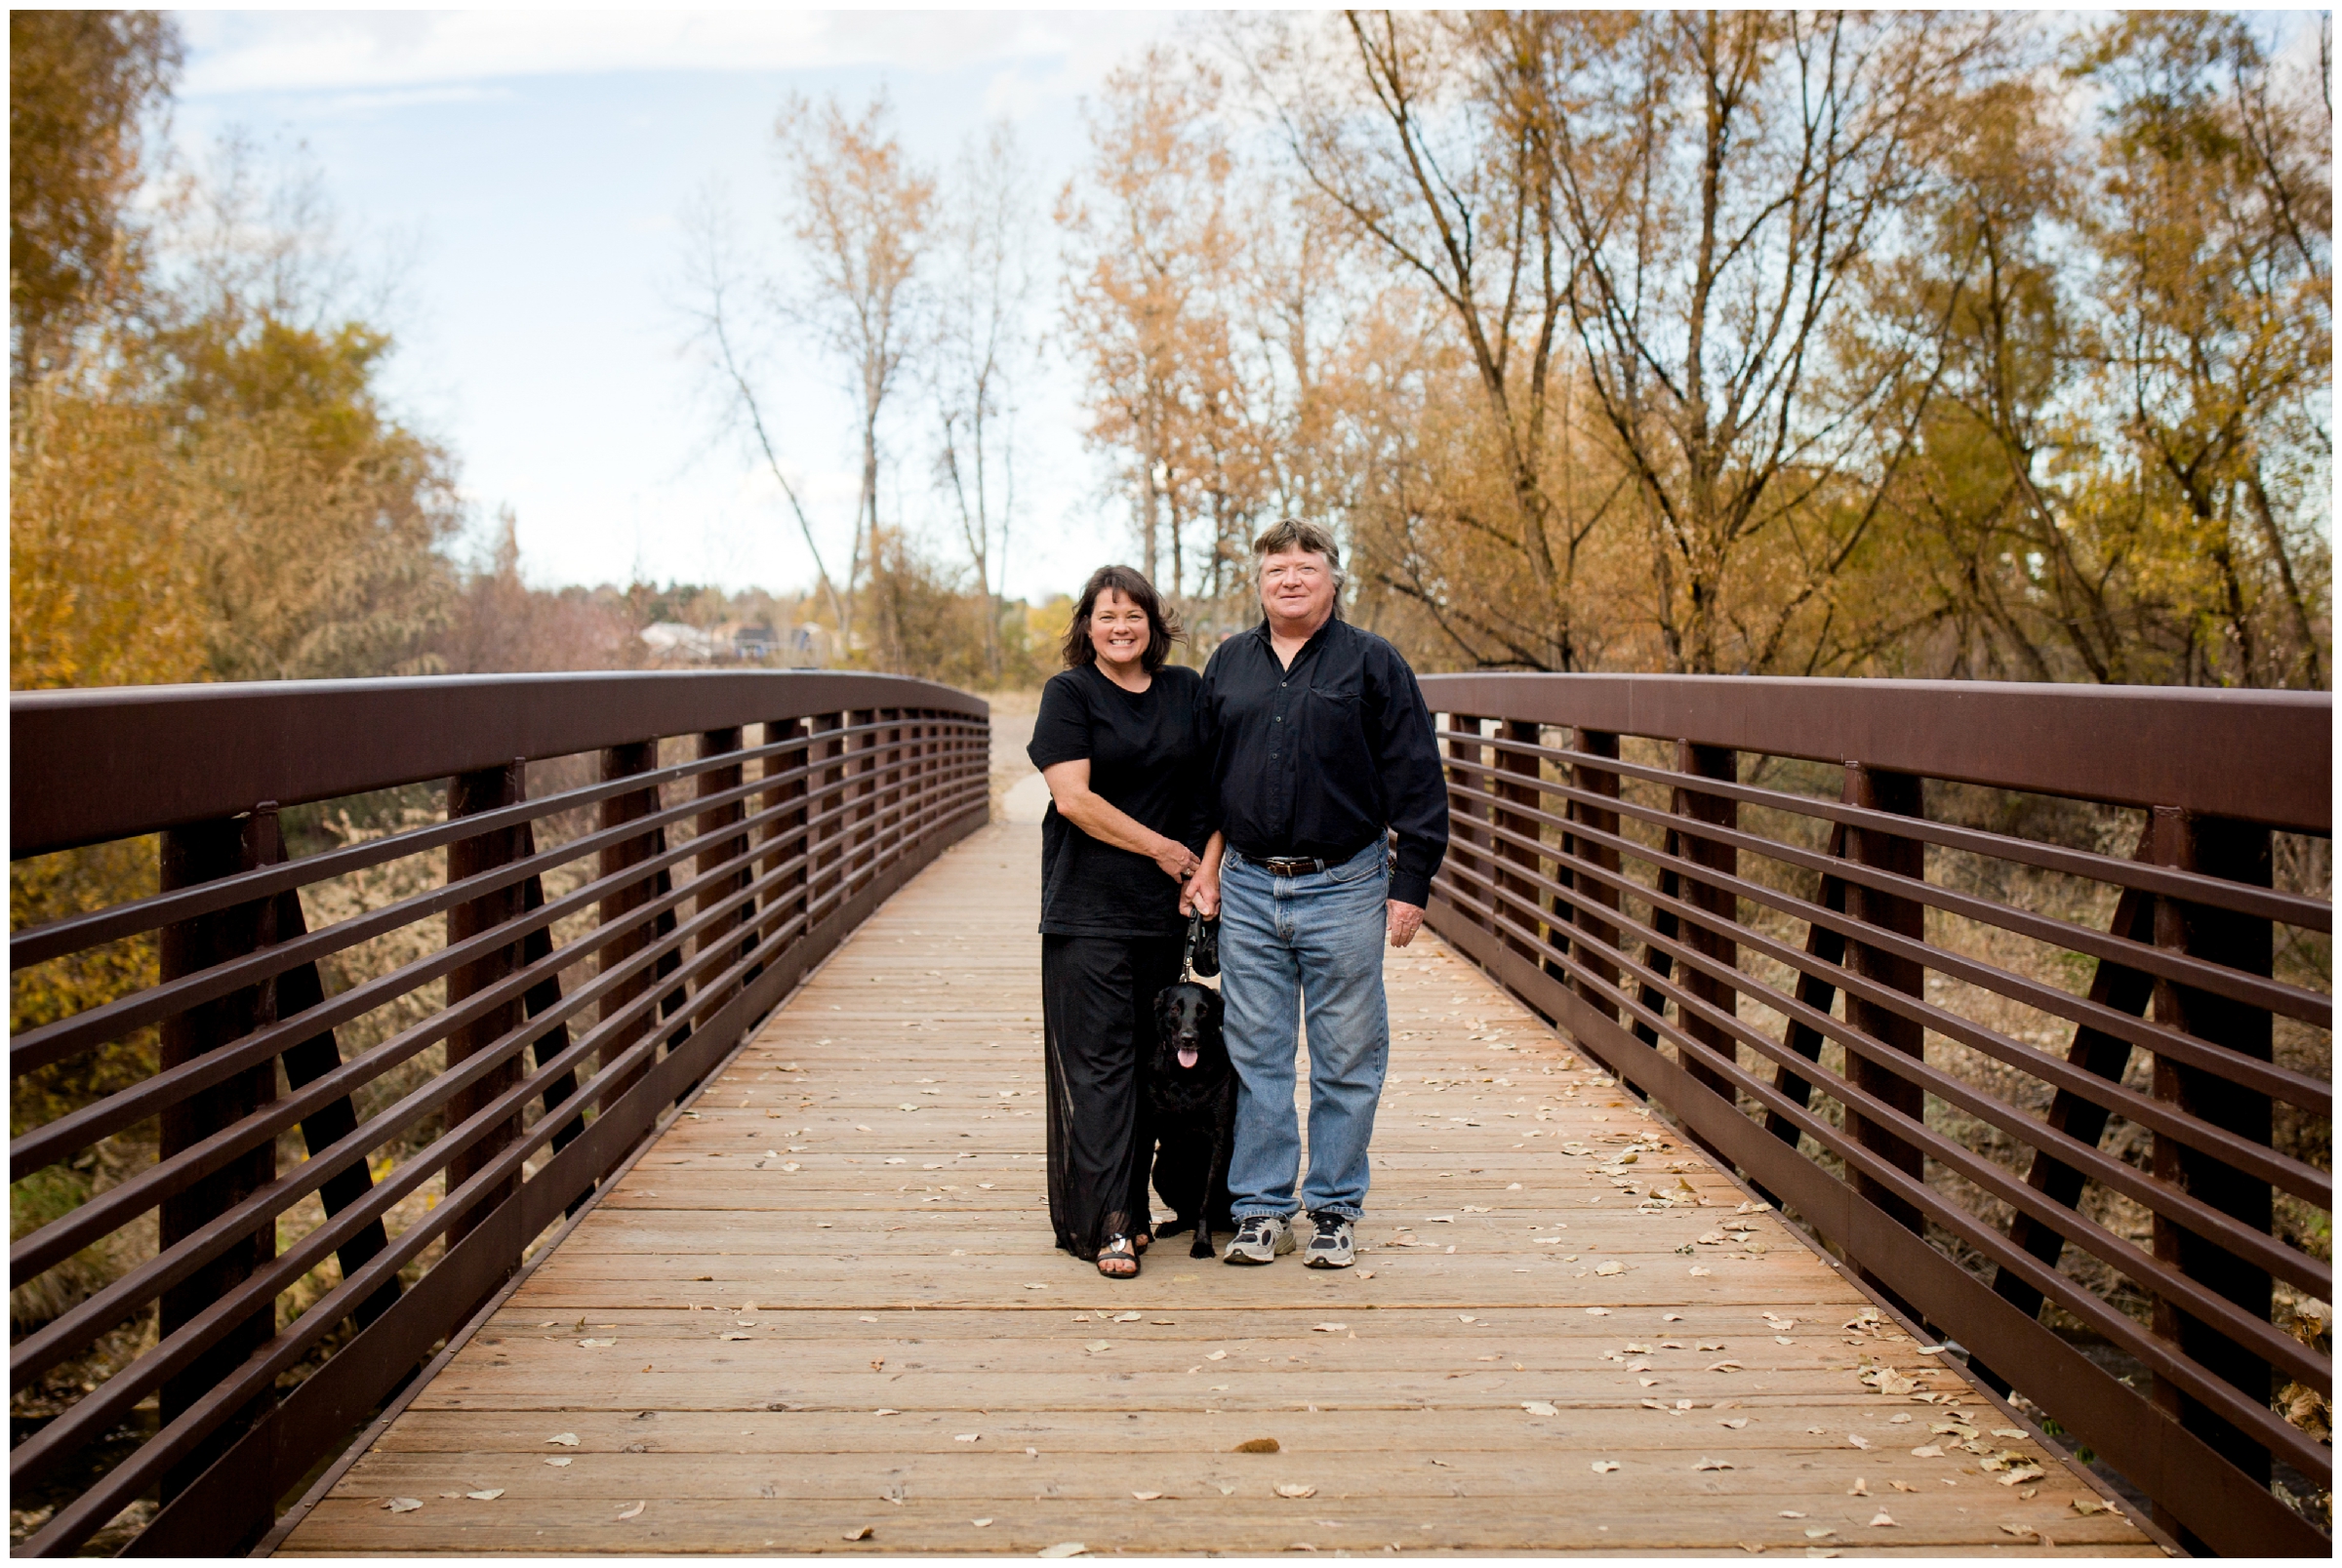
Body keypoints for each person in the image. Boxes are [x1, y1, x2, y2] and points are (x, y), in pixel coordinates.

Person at [1182, 518, 1448, 1268]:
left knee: (1346, 1055)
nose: (1290, 580)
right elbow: (1205, 781)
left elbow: (1417, 777)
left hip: (1344, 885)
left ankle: (1333, 1205)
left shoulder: (1373, 663)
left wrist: (1412, 883)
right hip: (1250, 886)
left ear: (1332, 578)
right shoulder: (1228, 663)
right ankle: (1263, 1208)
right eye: (1276, 570)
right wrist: (1203, 870)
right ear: (1259, 583)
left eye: (1305, 567)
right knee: (1256, 1054)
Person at [1029, 566, 1208, 1278]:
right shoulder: (1069, 695)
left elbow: (1211, 786)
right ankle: (1108, 1222)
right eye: (1107, 615)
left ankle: (1134, 1208)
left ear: (1154, 624)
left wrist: (1204, 868)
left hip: (1162, 915)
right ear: (1087, 626)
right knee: (1102, 1067)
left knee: (1148, 1066)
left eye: (1134, 614)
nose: (1122, 626)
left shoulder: (1185, 690)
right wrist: (1164, 848)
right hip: (1089, 910)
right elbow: (1073, 799)